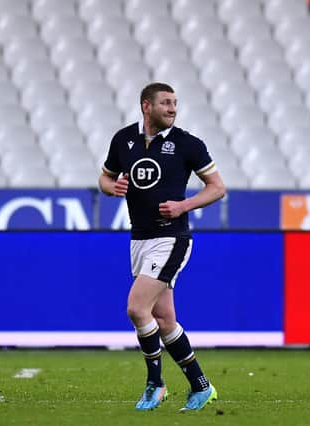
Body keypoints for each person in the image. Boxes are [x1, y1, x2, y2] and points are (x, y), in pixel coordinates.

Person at [98, 82, 226, 412]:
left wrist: (184, 206)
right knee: (164, 319)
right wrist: (113, 187)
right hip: (139, 239)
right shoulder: (124, 139)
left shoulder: (187, 144)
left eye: (175, 103)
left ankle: (155, 384)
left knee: (137, 308)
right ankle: (201, 386)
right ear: (146, 106)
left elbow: (217, 188)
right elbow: (104, 177)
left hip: (172, 238)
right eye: (165, 103)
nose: (172, 108)